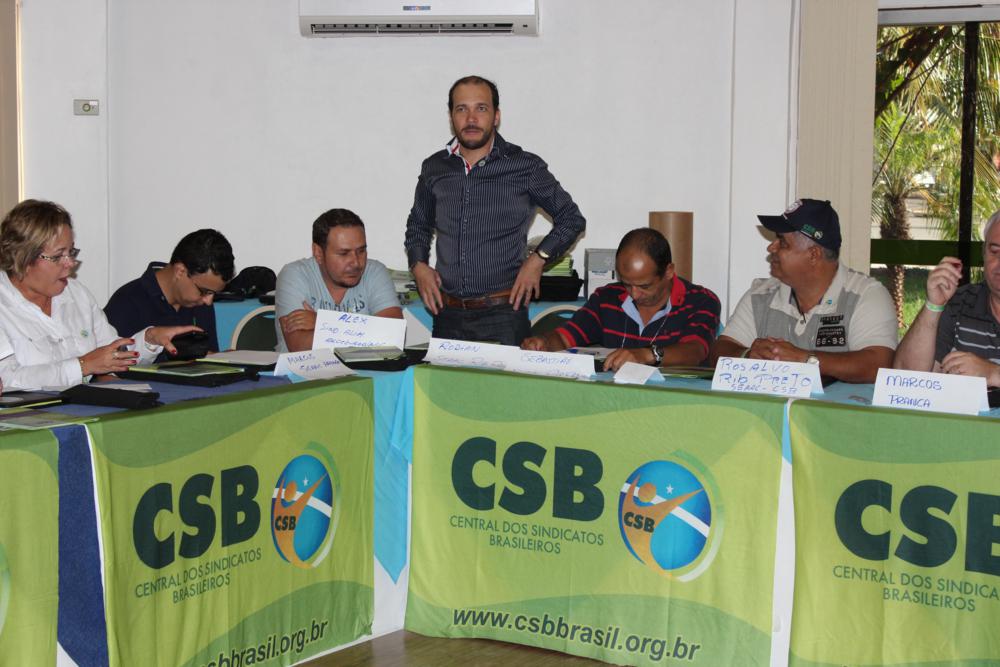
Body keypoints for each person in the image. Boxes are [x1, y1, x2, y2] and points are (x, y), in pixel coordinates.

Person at [404, 74, 586, 345]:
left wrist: (538, 259)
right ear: (451, 117)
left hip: (503, 316)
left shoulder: (524, 166)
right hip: (447, 314)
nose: (471, 118)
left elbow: (571, 219)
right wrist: (418, 265)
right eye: (461, 109)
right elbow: (418, 224)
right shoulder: (435, 167)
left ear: (496, 116)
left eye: (481, 108)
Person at [0, 199, 199, 390]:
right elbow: (7, 379)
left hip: (82, 405)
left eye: (71, 252)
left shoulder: (76, 294)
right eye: (58, 256)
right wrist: (82, 366)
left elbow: (111, 354)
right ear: (23, 258)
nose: (70, 263)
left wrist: (149, 339)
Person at [711, 198, 897, 383]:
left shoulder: (866, 295)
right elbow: (720, 350)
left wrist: (806, 360)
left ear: (813, 254)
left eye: (782, 242)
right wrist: (747, 354)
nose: (771, 247)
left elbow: (878, 364)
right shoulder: (760, 295)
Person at [521, 228, 720, 371]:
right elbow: (566, 337)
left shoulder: (701, 301)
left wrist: (646, 355)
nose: (634, 294)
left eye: (644, 286)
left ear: (668, 272)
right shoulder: (606, 299)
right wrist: (544, 343)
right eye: (626, 284)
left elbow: (694, 351)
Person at [894, 209, 1000, 386]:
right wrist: (934, 305)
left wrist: (993, 373)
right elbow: (906, 378)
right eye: (994, 252)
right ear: (983, 254)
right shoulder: (960, 303)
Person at [276, 208, 402, 353]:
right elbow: (299, 346)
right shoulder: (294, 275)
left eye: (361, 251)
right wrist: (368, 332)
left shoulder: (375, 272)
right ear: (318, 253)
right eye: (343, 253)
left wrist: (322, 323)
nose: (356, 263)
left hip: (364, 368)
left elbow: (393, 337)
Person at [104, 229, 234, 355]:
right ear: (180, 271)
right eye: (204, 291)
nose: (208, 301)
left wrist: (219, 359)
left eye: (214, 294)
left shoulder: (200, 303)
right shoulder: (127, 302)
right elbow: (108, 367)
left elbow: (208, 355)